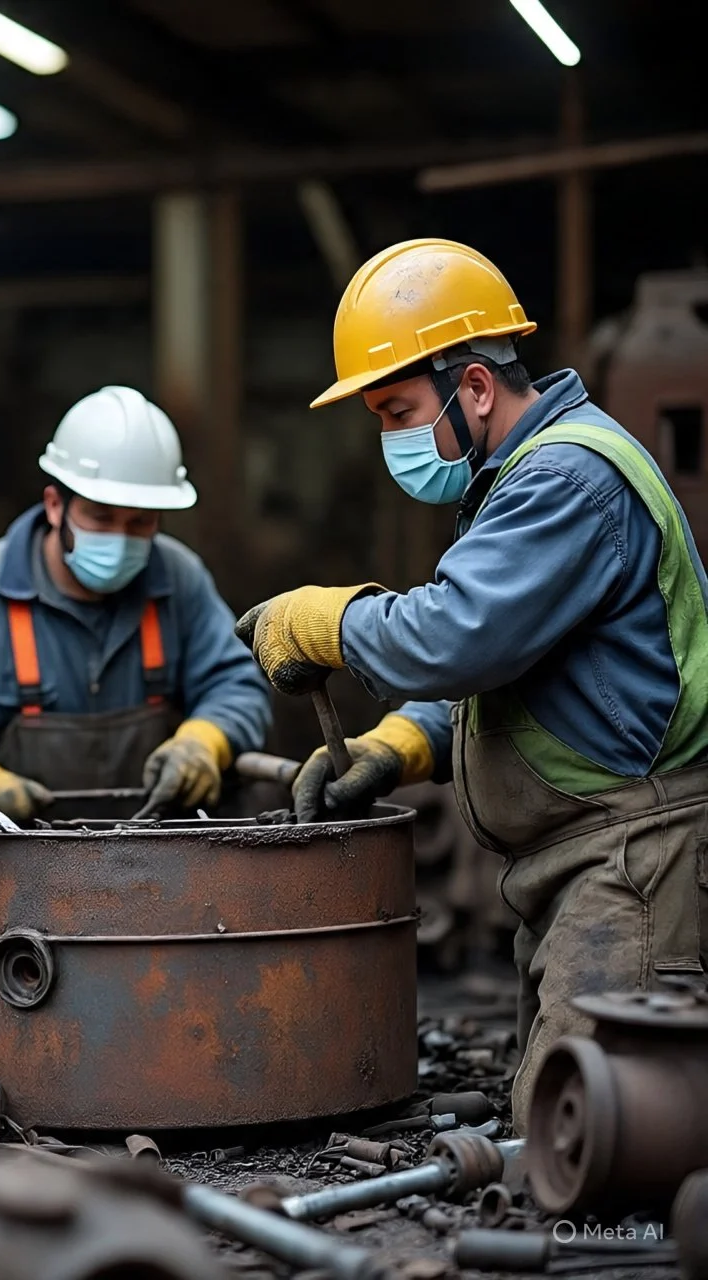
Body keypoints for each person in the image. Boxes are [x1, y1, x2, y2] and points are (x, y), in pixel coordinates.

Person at [235, 238, 708, 1131]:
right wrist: (400, 745)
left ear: (477, 388)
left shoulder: (568, 479)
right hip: (579, 864)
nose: (392, 439)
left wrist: (325, 621)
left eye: (397, 410)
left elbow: (455, 636)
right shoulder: (522, 479)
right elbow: (520, 667)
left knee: (601, 1145)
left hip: (637, 860)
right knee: (562, 1123)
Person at [0, 386, 272, 821]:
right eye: (101, 517)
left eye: (140, 521)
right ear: (54, 505)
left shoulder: (180, 579)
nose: (120, 538)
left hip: (157, 852)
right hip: (10, 861)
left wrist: (205, 738)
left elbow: (237, 684)